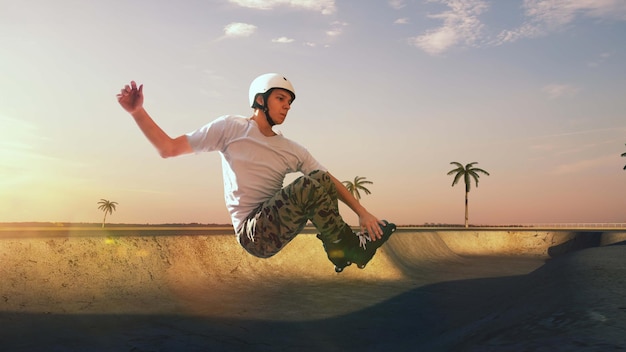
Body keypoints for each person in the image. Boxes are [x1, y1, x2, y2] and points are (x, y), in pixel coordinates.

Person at [117, 73, 395, 272]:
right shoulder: (231, 128)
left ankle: (342, 248)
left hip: (277, 227)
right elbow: (169, 148)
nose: (287, 106)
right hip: (252, 233)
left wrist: (361, 211)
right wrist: (137, 112)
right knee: (310, 184)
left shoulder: (291, 149)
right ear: (260, 99)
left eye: (290, 102)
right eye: (281, 98)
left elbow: (329, 180)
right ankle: (346, 249)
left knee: (319, 179)